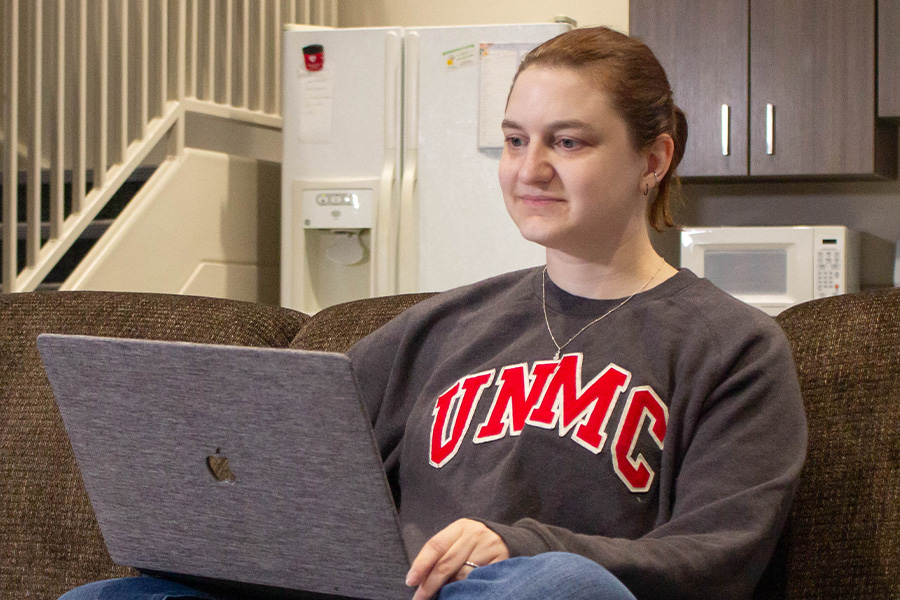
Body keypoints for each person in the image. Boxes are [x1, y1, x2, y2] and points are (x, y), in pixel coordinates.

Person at [59, 26, 806, 600]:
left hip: (517, 594)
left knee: (560, 588)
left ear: (652, 160)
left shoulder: (732, 345)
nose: (529, 169)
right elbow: (287, 464)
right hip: (389, 591)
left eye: (567, 142)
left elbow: (720, 556)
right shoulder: (443, 326)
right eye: (515, 141)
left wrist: (520, 546)